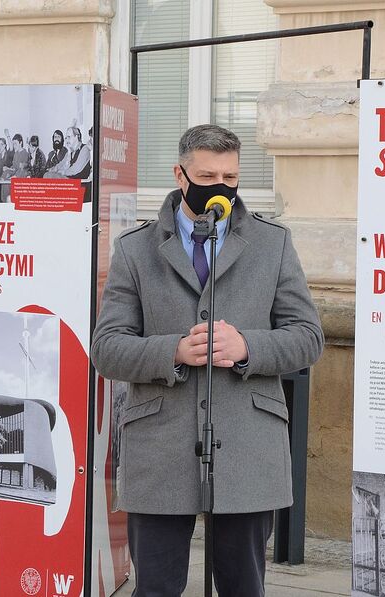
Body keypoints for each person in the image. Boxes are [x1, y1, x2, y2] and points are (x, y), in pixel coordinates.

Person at [91, 124, 323, 597]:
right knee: (155, 587)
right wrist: (171, 351)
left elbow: (308, 337)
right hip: (159, 448)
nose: (221, 186)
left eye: (231, 177)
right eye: (207, 174)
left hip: (247, 448)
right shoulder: (135, 249)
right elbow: (107, 348)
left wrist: (249, 348)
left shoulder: (272, 243)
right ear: (180, 175)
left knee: (243, 587)